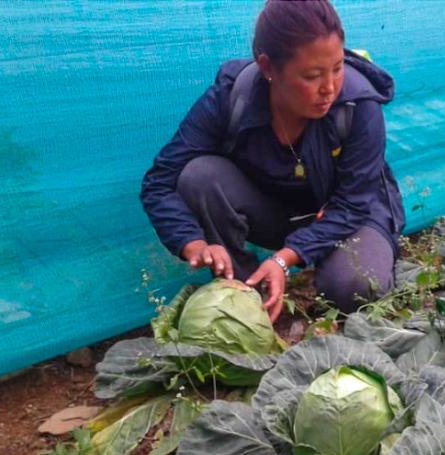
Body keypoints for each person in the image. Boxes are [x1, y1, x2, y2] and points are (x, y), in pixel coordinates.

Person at [140, 0, 405, 322]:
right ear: (268, 68)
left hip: (350, 215)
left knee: (356, 286)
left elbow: (353, 202)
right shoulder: (232, 97)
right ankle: (249, 299)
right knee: (198, 175)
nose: (330, 88)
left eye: (337, 68)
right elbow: (160, 180)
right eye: (312, 76)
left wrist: (285, 259)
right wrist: (191, 243)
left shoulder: (358, 105)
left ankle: (332, 268)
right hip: (278, 213)